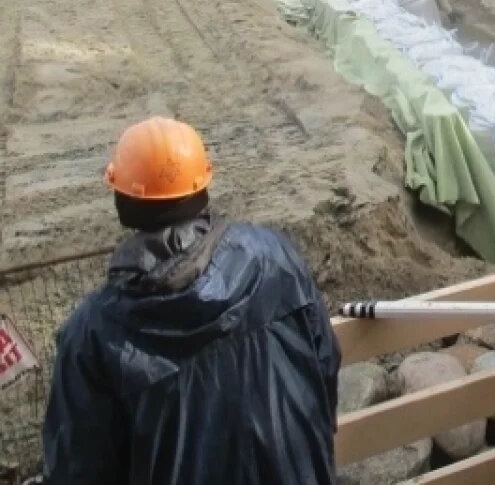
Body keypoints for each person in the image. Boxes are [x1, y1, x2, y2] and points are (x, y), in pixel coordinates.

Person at [42, 117, 341, 485]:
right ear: (204, 184)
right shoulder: (276, 258)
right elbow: (325, 370)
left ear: (123, 198)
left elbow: (78, 469)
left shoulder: (94, 335)